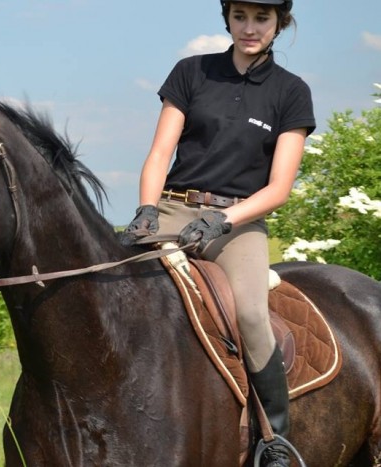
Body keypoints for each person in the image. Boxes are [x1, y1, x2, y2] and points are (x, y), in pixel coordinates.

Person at [123, 1, 315, 465]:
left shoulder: (292, 92)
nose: (250, 28)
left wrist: (224, 220)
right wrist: (147, 208)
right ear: (227, 19)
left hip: (239, 220)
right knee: (114, 289)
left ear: (279, 23)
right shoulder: (191, 72)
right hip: (172, 206)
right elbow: (160, 151)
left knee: (250, 314)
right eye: (241, 17)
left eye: (262, 19)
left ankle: (275, 443)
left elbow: (280, 188)